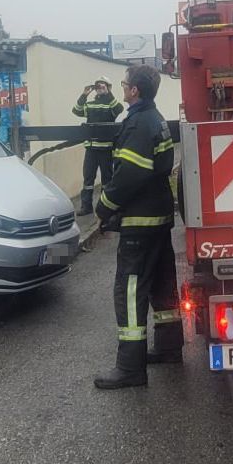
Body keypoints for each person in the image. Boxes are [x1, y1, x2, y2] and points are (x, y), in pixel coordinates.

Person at [94, 64, 182, 389]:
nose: (122, 88)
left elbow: (129, 175)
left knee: (130, 291)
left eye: (124, 84)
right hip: (158, 217)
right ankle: (170, 347)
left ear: (134, 91)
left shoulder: (138, 123)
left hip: (140, 224)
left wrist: (103, 208)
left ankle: (131, 368)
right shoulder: (155, 118)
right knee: (162, 283)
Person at [72, 76, 123, 215]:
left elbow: (119, 109)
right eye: (98, 86)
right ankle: (86, 207)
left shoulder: (111, 105)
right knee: (88, 179)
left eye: (103, 86)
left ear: (108, 87)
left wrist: (108, 93)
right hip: (91, 148)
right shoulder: (90, 104)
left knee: (107, 180)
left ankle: (105, 207)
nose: (100, 88)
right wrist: (84, 95)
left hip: (105, 148)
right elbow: (76, 110)